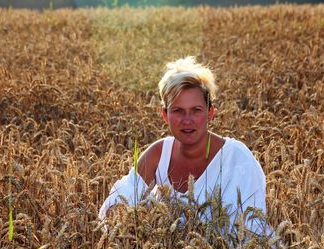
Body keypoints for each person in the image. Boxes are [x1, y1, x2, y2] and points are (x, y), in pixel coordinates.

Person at [99, 56, 267, 234]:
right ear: (165, 115)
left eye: (196, 110)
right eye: (178, 110)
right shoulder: (158, 154)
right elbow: (117, 205)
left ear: (210, 113)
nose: (187, 120)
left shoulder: (237, 158)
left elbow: (254, 232)